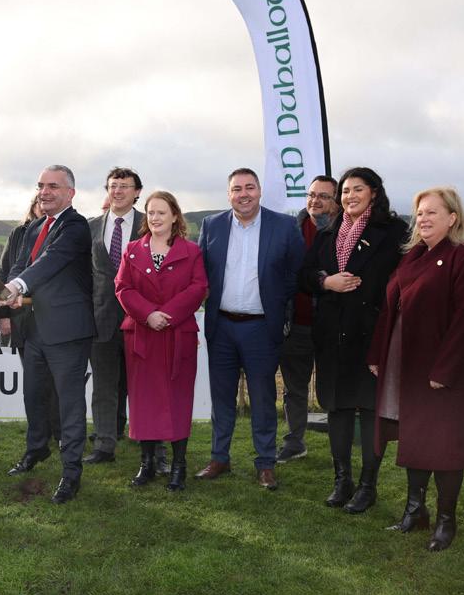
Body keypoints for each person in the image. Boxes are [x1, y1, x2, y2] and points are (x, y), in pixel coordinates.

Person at [368, 187, 464, 551]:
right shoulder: (412, 257)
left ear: (453, 218)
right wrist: (377, 354)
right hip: (406, 364)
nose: (422, 219)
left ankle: (445, 521)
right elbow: (390, 309)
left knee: (446, 444)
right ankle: (415, 511)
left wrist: (444, 371)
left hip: (446, 372)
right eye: (419, 213)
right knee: (415, 436)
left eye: (431, 212)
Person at [299, 167, 408, 513]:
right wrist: (325, 281)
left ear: (374, 192)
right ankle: (341, 480)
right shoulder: (327, 233)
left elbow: (404, 281)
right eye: (345, 191)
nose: (350, 196)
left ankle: (367, 486)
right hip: (332, 336)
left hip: (372, 335)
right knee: (338, 408)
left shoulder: (394, 232)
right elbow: (304, 275)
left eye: (357, 189)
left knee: (371, 409)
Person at [196, 168, 304, 490]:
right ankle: (219, 458)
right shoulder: (212, 225)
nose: (243, 194)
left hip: (261, 328)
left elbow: (295, 272)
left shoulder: (284, 226)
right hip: (222, 327)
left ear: (259, 190)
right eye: (236, 189)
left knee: (262, 398)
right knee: (222, 398)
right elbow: (201, 272)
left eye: (249, 187)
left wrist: (277, 302)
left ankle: (265, 464)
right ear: (229, 194)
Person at [1, 164, 95, 505]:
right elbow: (20, 264)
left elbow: (50, 262)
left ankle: (71, 472)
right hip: (34, 329)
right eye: (41, 185)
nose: (45, 191)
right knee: (34, 396)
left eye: (53, 186)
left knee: (69, 404)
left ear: (70, 193)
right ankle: (36, 449)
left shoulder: (76, 226)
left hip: (67, 332)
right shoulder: (35, 226)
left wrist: (18, 286)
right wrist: (8, 289)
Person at [115, 191, 208, 491]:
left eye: (161, 212)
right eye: (151, 212)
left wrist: (166, 315)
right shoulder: (132, 250)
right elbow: (123, 288)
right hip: (142, 337)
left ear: (175, 216)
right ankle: (147, 464)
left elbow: (198, 288)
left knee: (177, 400)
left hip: (177, 335)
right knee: (144, 401)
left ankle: (179, 465)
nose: (155, 218)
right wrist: (148, 314)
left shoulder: (191, 251)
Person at [276, 176, 339, 463]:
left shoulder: (345, 232)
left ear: (336, 201)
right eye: (312, 194)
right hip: (296, 324)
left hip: (332, 327)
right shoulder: (291, 230)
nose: (315, 201)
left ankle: (339, 442)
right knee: (294, 388)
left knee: (334, 389)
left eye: (323, 196)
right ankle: (294, 442)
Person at [87, 168, 146, 464]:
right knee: (103, 386)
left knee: (144, 387)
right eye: (113, 186)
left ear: (137, 192)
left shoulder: (149, 224)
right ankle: (104, 445)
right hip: (101, 320)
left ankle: (153, 446)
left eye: (124, 186)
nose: (118, 191)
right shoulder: (90, 227)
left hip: (141, 320)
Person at [0, 195, 61, 441]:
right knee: (34, 383)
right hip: (23, 319)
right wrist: (4, 315)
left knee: (56, 382)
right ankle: (40, 434)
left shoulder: (62, 233)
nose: (43, 208)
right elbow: (5, 272)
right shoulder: (19, 234)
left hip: (54, 319)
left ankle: (59, 432)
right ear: (33, 207)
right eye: (39, 204)